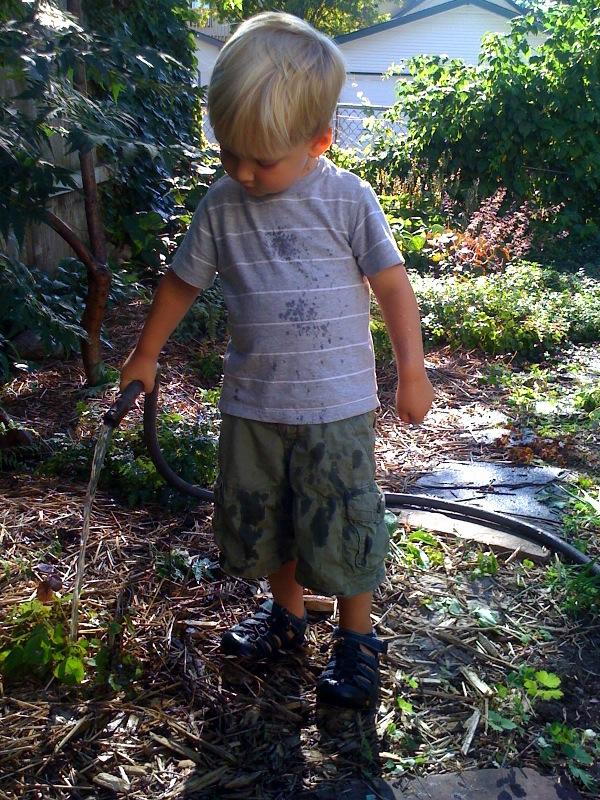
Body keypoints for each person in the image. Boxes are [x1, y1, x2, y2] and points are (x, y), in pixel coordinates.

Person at [120, 11, 434, 710]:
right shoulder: (222, 205)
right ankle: (287, 618)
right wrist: (145, 353)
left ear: (319, 141)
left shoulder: (347, 200)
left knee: (344, 521)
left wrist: (411, 372)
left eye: (260, 160)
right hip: (254, 404)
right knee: (268, 520)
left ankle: (357, 641)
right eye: (229, 153)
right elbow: (181, 282)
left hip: (336, 407)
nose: (242, 171)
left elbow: (392, 284)